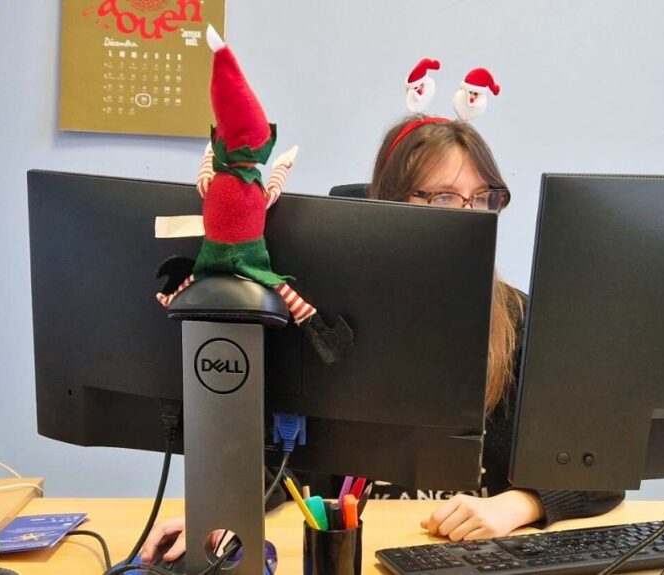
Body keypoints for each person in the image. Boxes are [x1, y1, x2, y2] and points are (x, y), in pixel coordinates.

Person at [140, 116, 623, 563]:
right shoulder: (324, 323)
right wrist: (224, 509)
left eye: (483, 197)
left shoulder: (520, 319)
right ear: (391, 205)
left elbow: (599, 467)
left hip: (477, 556)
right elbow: (278, 460)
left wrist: (519, 504)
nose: (474, 215)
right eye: (444, 197)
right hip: (353, 552)